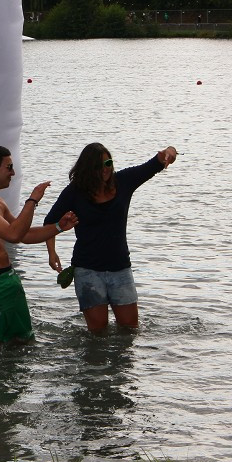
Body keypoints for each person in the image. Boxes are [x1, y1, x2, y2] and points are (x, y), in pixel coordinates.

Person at [43, 142, 177, 333]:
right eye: (99, 166)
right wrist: (52, 252)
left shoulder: (124, 181)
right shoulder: (75, 192)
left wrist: (170, 152)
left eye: (108, 163)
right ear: (88, 169)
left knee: (130, 330)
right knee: (98, 334)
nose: (105, 170)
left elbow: (153, 164)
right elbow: (50, 222)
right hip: (87, 270)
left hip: (120, 267)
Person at [0, 145, 78, 355]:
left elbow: (24, 235)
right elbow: (13, 235)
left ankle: (16, 384)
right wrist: (32, 201)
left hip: (8, 280)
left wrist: (58, 227)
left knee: (22, 340)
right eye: (9, 167)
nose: (13, 173)